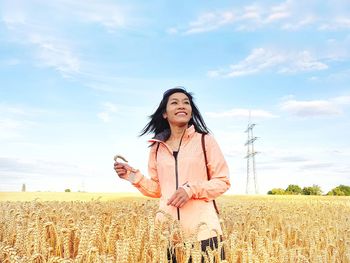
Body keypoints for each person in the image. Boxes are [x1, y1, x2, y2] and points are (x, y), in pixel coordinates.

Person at [114, 87, 230, 262]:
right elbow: (157, 189)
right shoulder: (157, 147)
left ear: (191, 112)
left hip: (205, 234)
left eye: (186, 103)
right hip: (169, 234)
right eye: (174, 102)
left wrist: (190, 189)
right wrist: (131, 176)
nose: (181, 105)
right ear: (165, 114)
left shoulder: (205, 140)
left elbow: (223, 181)